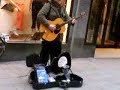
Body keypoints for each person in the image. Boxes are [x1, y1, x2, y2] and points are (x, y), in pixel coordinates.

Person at [37, 0, 76, 66]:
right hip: (48, 34)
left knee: (56, 56)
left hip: (58, 36)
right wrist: (48, 25)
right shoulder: (48, 5)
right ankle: (42, 71)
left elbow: (67, 17)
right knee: (44, 55)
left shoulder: (62, 7)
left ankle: (54, 70)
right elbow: (40, 15)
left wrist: (71, 21)